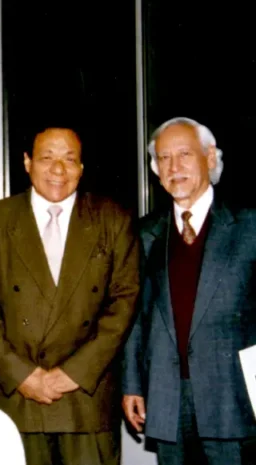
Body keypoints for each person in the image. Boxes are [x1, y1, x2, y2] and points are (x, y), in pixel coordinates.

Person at [0, 122, 140, 465]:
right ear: (27, 162)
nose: (58, 169)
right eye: (47, 158)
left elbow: (123, 305)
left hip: (86, 398)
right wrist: (24, 376)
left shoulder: (112, 219)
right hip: (19, 396)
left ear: (81, 168)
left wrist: (72, 374)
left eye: (69, 159)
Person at [122, 117, 256, 464]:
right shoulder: (146, 234)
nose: (174, 167)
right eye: (164, 158)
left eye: (184, 154)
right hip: (167, 399)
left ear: (210, 158)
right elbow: (136, 317)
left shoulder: (249, 226)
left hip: (233, 400)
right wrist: (133, 384)